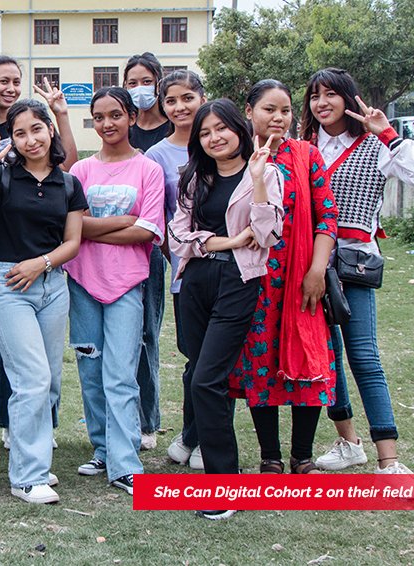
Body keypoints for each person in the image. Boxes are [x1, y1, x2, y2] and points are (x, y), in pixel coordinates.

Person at [301, 68, 414, 474]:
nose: (322, 103)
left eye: (330, 95)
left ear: (348, 98)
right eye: (315, 96)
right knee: (326, 357)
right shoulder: (303, 146)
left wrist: (387, 133)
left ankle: (388, 459)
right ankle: (347, 441)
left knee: (364, 355)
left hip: (354, 263)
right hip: (311, 265)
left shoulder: (373, 145)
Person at [168, 99, 283, 520]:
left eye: (221, 129)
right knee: (202, 376)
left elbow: (268, 234)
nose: (214, 137)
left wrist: (257, 182)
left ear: (238, 128)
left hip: (238, 283)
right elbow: (177, 236)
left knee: (206, 381)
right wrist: (228, 241)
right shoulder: (195, 177)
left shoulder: (266, 173)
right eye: (205, 132)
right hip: (194, 282)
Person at [0, 99, 87, 505]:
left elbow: (73, 242)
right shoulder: (4, 177)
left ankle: (33, 459)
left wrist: (42, 262)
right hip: (9, 282)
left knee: (49, 381)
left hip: (53, 284)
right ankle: (27, 475)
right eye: (20, 133)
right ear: (11, 139)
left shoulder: (68, 183)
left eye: (37, 129)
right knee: (31, 379)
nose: (30, 139)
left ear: (50, 130)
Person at [229, 79, 339, 475]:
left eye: (285, 110)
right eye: (268, 109)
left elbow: (327, 217)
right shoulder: (237, 157)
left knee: (306, 359)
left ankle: (303, 456)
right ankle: (270, 457)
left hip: (300, 280)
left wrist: (316, 270)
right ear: (249, 111)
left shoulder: (306, 156)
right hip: (254, 278)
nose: (278, 118)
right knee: (261, 363)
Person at [64, 87, 165, 494]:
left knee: (121, 374)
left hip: (127, 286)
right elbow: (71, 228)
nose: (108, 124)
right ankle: (103, 448)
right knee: (90, 370)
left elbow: (149, 230)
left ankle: (125, 463)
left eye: (116, 115)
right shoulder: (81, 173)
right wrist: (124, 220)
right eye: (99, 116)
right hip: (83, 284)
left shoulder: (148, 170)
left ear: (131, 118)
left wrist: (93, 228)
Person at [145, 70, 207, 470]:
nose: (180, 107)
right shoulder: (157, 156)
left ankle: (205, 439)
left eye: (188, 98)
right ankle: (191, 432)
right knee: (192, 356)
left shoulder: (220, 141)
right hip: (183, 270)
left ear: (202, 97)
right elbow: (159, 218)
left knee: (214, 360)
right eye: (171, 101)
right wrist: (177, 256)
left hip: (228, 266)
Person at [123, 52, 172, 451]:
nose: (139, 89)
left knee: (148, 335)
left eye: (145, 80)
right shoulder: (126, 134)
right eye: (132, 81)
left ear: (159, 82)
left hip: (169, 243)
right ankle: (127, 417)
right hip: (129, 241)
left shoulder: (178, 130)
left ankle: (148, 419)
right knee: (127, 336)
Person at [122, 52, 172, 153]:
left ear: (159, 83)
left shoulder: (174, 127)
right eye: (133, 83)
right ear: (126, 86)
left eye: (147, 82)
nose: (139, 88)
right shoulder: (124, 130)